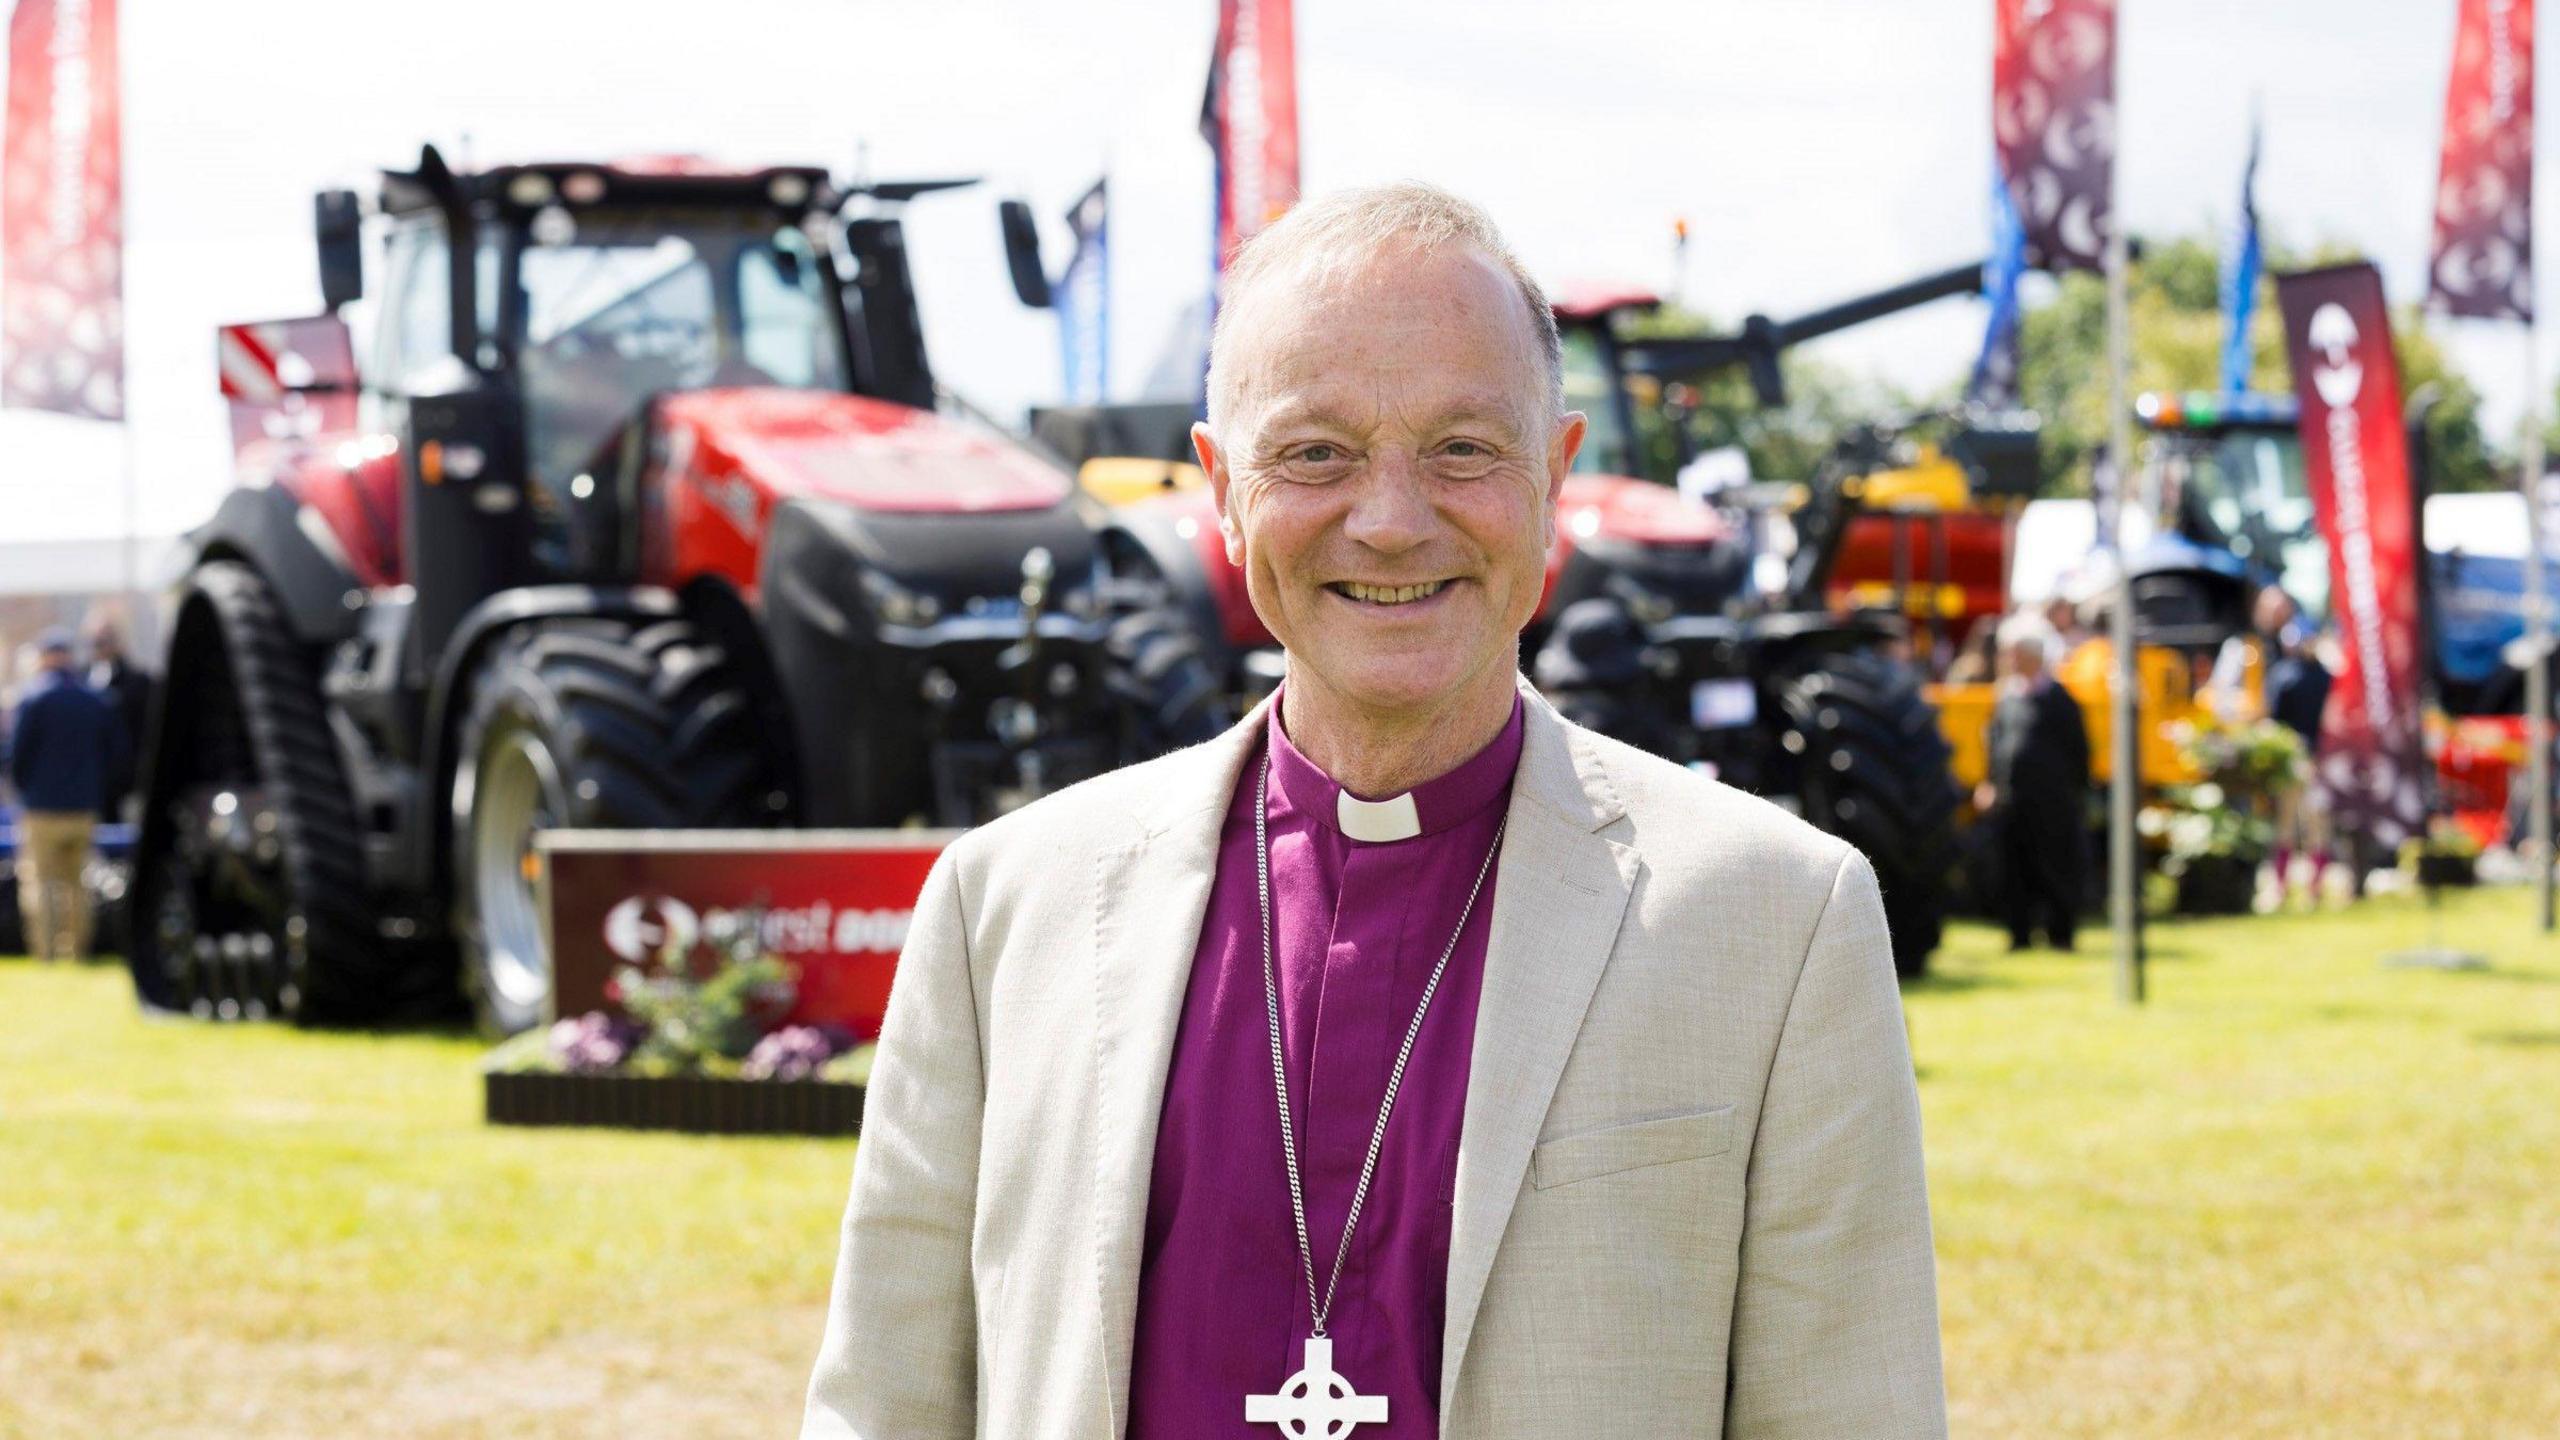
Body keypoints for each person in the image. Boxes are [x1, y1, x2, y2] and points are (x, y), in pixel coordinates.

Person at [803, 186, 1944, 1439]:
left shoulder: (1776, 922)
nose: (1392, 522)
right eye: (1313, 454)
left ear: (1553, 478)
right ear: (1223, 490)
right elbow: (887, 1404)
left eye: (1463, 448)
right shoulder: (1002, 908)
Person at [4, 628, 127, 960]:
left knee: (41, 883)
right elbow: (116, 755)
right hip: (83, 806)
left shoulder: (32, 699)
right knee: (78, 884)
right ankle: (77, 951)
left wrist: (25, 790)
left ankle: (45, 953)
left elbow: (17, 756)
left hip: (41, 808)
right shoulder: (93, 700)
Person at [1977, 614, 2090, 952]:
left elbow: (2078, 750)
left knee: (2055, 866)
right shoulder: (2007, 697)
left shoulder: (2059, 698)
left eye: (2014, 652)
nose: (2009, 660)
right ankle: (2019, 934)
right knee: (2015, 869)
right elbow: (1996, 745)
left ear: (2032, 655)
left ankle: (2060, 934)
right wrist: (1989, 783)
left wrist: (2074, 793)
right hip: (2013, 800)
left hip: (2052, 801)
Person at [84, 617, 154, 817]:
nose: (100, 648)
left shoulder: (138, 681)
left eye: (105, 641)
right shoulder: (80, 680)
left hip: (128, 781)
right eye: (96, 642)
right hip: (90, 782)